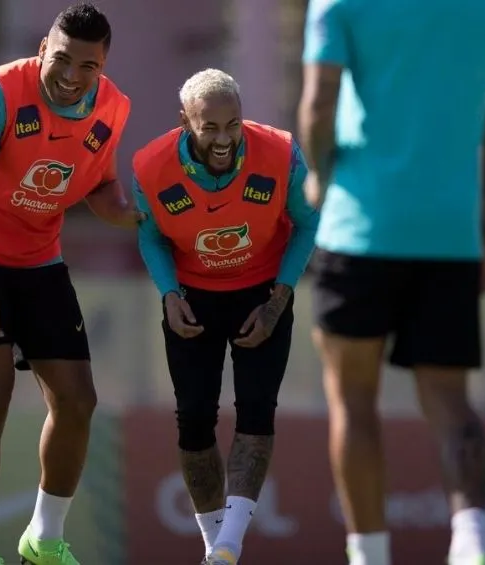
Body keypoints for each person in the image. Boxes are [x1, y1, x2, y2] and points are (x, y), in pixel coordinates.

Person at [299, 0, 485, 563]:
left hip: (358, 231)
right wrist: (484, 231)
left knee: (352, 401)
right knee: (452, 404)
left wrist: (320, 179)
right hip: (447, 234)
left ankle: (369, 555)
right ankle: (472, 542)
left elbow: (320, 102)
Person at [0, 4, 139, 564]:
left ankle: (44, 541)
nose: (72, 76)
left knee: (78, 401)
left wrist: (135, 213)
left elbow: (102, 188)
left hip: (38, 258)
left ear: (104, 65)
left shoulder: (113, 108)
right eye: (63, 59)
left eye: (88, 65)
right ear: (43, 49)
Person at [131, 68, 319, 565]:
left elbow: (308, 222)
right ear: (183, 122)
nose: (223, 139)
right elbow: (150, 236)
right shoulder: (150, 166)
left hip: (263, 293)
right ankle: (214, 547)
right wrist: (169, 294)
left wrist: (278, 300)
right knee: (193, 420)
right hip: (192, 296)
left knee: (257, 412)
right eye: (208, 127)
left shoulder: (280, 153)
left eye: (232, 125)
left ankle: (230, 545)